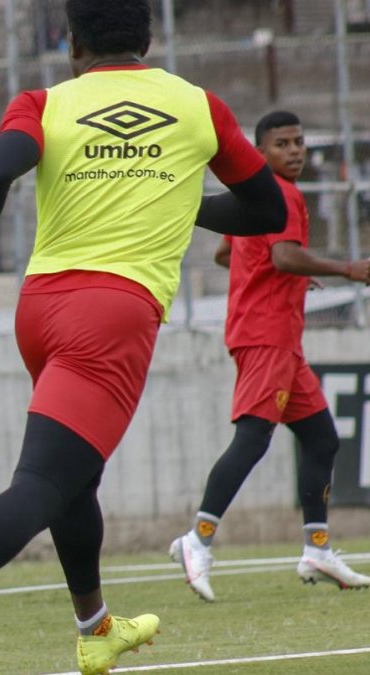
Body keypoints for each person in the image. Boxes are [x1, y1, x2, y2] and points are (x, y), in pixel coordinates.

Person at [0, 2, 288, 674]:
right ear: (146, 37)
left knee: (76, 477)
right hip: (113, 316)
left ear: (72, 42)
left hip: (41, 310)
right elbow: (267, 207)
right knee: (41, 484)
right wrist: (171, 193)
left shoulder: (44, 102)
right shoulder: (198, 106)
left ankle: (95, 627)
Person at [169, 111, 370, 601]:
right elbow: (282, 256)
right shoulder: (283, 194)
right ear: (261, 152)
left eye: (300, 142)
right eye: (282, 144)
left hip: (276, 338)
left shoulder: (256, 196)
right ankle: (197, 540)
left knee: (322, 439)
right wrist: (346, 267)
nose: (295, 151)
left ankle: (316, 548)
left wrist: (298, 267)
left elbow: (229, 254)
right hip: (267, 335)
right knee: (254, 438)